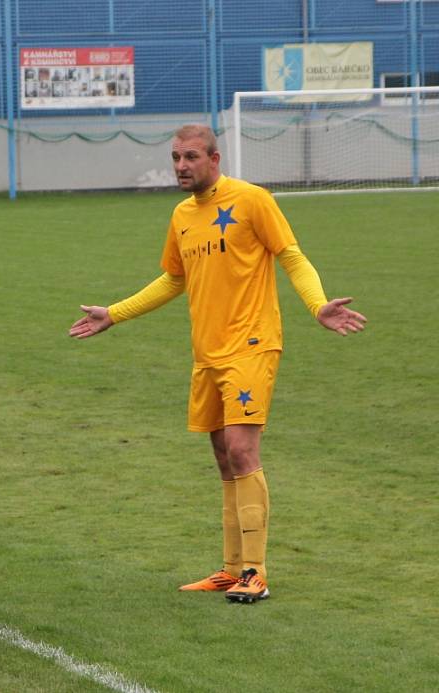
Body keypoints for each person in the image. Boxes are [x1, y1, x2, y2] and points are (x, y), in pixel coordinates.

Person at [69, 125, 366, 604]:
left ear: (214, 157)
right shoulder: (182, 214)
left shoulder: (252, 200)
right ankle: (231, 569)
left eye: (190, 157)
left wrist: (317, 305)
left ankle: (256, 571)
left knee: (243, 451)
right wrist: (114, 314)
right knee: (224, 458)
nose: (181, 166)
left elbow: (291, 256)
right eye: (175, 157)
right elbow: (173, 280)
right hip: (207, 353)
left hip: (251, 344)